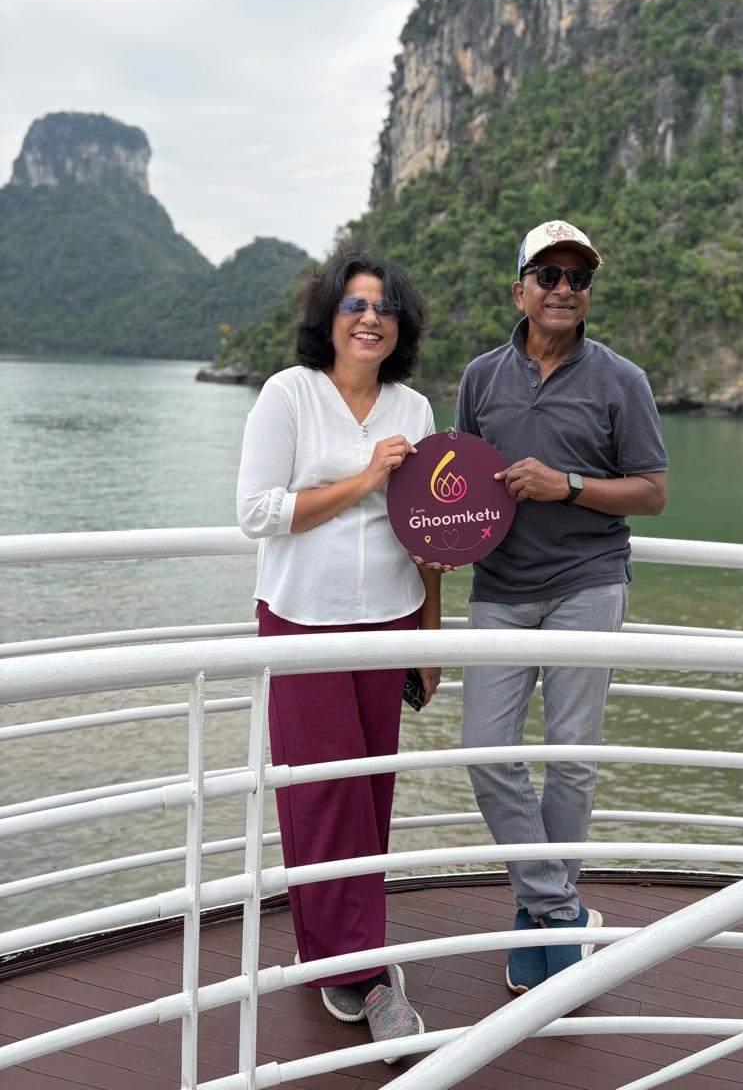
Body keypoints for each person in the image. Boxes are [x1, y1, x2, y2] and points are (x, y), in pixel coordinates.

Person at [236, 251, 441, 1056]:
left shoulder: (414, 408)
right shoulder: (289, 395)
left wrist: (431, 636)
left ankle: (343, 953)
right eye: (354, 304)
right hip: (303, 619)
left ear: (402, 326)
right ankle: (360, 970)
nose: (370, 317)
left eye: (385, 307)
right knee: (322, 795)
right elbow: (257, 512)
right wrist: (362, 480)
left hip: (388, 620)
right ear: (327, 317)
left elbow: (428, 532)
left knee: (368, 790)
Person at [455, 219, 667, 994]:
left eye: (579, 279)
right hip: (501, 588)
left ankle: (533, 917)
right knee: (485, 751)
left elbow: (653, 491)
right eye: (549, 275)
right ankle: (560, 910)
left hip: (588, 582)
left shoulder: (622, 381)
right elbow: (460, 485)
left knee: (572, 760)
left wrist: (567, 485)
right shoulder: (481, 378)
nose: (565, 290)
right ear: (520, 289)